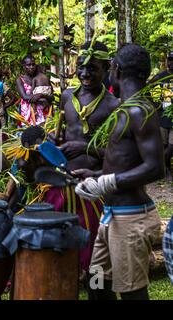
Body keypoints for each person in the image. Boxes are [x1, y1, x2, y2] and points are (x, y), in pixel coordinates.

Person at [74, 44, 164, 300]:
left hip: (131, 220)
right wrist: (93, 177)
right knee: (97, 283)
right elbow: (123, 158)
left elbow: (155, 167)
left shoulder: (139, 111)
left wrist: (107, 183)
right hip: (111, 216)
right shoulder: (125, 109)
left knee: (132, 292)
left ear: (117, 69)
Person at [44, 41, 119, 277]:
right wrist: (54, 139)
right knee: (54, 231)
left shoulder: (113, 105)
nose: (85, 74)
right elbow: (61, 132)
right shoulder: (67, 96)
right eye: (81, 67)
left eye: (92, 68)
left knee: (92, 240)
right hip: (61, 178)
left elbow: (117, 154)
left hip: (91, 183)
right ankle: (60, 272)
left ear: (106, 69)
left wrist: (85, 148)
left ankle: (92, 277)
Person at [149, 51, 173, 180]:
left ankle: (156, 165)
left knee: (171, 146)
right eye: (170, 60)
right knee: (163, 145)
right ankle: (165, 169)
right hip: (162, 116)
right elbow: (153, 97)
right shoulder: (160, 77)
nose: (171, 62)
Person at [16, 55, 54, 126]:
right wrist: (41, 97)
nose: (31, 67)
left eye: (33, 64)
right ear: (24, 66)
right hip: (28, 116)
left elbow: (52, 97)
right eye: (28, 65)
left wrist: (41, 95)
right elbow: (25, 97)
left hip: (45, 115)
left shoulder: (42, 79)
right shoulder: (20, 80)